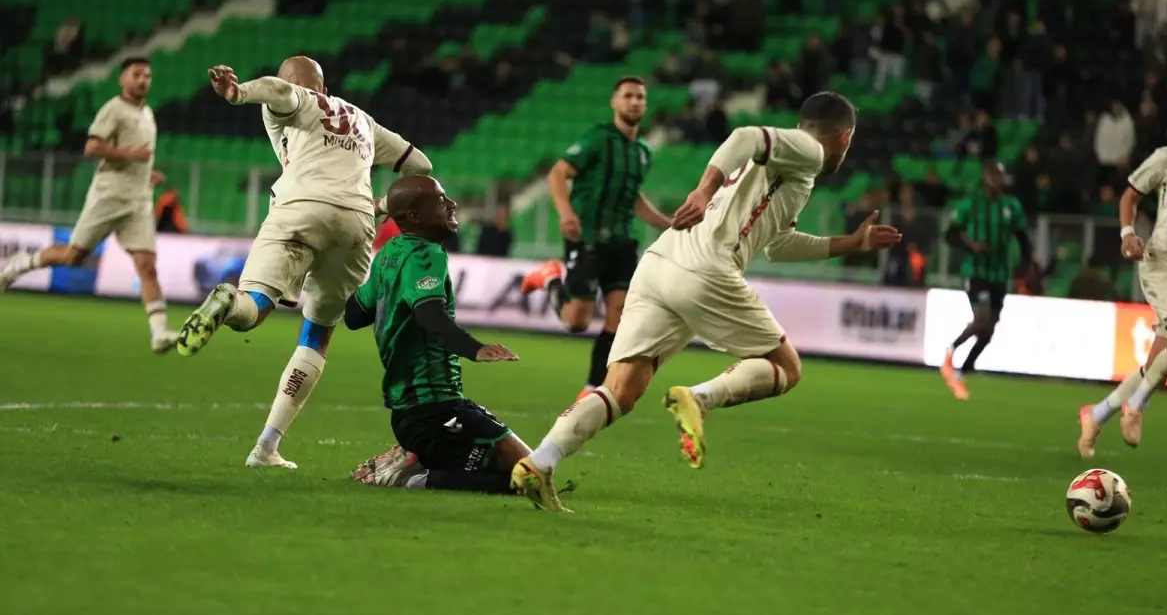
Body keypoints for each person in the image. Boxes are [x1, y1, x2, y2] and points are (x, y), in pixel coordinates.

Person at [510, 93, 902, 512]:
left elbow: (778, 245)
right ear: (844, 135)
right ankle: (699, 398)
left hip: (661, 262)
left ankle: (538, 463)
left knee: (620, 390)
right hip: (706, 267)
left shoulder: (786, 168)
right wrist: (702, 191)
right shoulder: (808, 149)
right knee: (786, 367)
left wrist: (852, 243)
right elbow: (745, 134)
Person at [176, 57, 431, 469]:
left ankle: (229, 302)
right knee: (319, 331)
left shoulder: (295, 101)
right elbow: (421, 166)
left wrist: (238, 93)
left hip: (300, 208)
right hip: (356, 221)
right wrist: (382, 203)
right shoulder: (362, 119)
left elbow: (279, 93)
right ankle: (266, 447)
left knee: (252, 308)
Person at [344, 175, 536, 495]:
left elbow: (353, 316)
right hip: (437, 410)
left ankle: (420, 460)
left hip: (412, 414)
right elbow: (431, 315)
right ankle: (412, 477)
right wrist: (475, 349)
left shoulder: (389, 253)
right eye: (440, 200)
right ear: (415, 217)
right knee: (532, 474)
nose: (452, 204)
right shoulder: (426, 255)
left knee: (522, 471)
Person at [0, 57, 177, 353]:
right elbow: (92, 146)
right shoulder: (113, 109)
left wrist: (147, 174)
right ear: (123, 79)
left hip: (138, 202)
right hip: (108, 197)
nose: (143, 80)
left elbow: (140, 155)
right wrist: (129, 155)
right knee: (73, 257)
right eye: (137, 74)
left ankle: (159, 333)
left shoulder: (147, 113)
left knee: (147, 266)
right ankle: (19, 263)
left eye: (147, 75)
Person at [520, 76, 673, 401]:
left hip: (623, 242)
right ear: (614, 103)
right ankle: (550, 278)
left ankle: (591, 388)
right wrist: (565, 213)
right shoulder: (598, 139)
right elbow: (558, 172)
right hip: (588, 237)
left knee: (620, 318)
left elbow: (633, 197)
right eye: (628, 96)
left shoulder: (643, 152)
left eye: (640, 97)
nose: (634, 102)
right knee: (576, 321)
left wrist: (667, 223)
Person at [1078, 115, 1167, 457]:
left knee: (1155, 364)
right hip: (1164, 262)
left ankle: (1096, 415)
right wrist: (1127, 233)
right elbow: (1129, 196)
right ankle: (1137, 406)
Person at [938, 161, 1032, 400]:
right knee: (981, 321)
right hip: (975, 272)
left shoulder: (1011, 206)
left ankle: (961, 374)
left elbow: (1023, 239)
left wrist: (1024, 265)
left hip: (1000, 275)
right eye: (993, 175)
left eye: (1000, 176)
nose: (997, 180)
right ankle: (950, 352)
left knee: (988, 331)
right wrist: (971, 245)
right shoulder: (971, 204)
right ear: (985, 178)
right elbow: (950, 234)